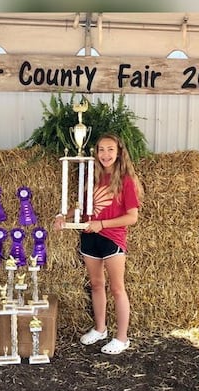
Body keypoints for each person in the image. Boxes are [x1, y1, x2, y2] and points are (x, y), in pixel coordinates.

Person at [54, 133, 143, 354]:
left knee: (117, 288)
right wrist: (64, 216)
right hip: (89, 235)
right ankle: (100, 328)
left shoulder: (126, 181)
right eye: (101, 149)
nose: (105, 154)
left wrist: (102, 224)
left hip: (112, 238)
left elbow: (132, 217)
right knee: (96, 284)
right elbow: (82, 208)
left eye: (110, 149)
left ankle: (122, 338)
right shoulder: (91, 178)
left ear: (119, 152)